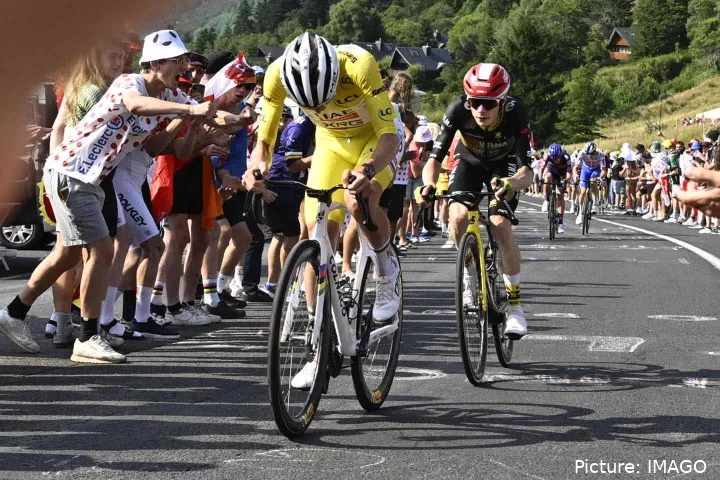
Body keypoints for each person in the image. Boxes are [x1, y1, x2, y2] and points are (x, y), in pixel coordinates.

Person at [0, 29, 216, 361]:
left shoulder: (166, 96)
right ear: (155, 63)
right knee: (102, 251)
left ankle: (16, 313)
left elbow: (162, 141)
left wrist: (235, 117)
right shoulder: (125, 85)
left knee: (70, 255)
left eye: (123, 56)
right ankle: (87, 334)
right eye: (178, 61)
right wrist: (186, 112)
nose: (184, 68)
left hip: (93, 178)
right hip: (74, 173)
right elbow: (134, 105)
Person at [244, 32, 403, 388]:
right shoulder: (276, 74)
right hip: (330, 144)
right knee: (314, 233)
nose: (320, 106)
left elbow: (390, 137)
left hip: (375, 140)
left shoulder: (359, 65)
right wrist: (257, 165)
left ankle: (385, 269)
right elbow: (265, 139)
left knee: (358, 200)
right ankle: (318, 347)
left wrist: (367, 171)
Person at [419, 63, 533, 339]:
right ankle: (470, 275)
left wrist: (510, 183)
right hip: (468, 160)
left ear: (503, 101)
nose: (480, 110)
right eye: (474, 102)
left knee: (499, 224)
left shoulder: (516, 113)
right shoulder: (457, 110)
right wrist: (429, 185)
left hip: (504, 165)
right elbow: (433, 160)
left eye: (489, 103)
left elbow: (526, 173)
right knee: (458, 216)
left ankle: (515, 308)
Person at [541, 143, 572, 233]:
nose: (555, 160)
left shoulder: (566, 157)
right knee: (547, 178)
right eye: (553, 158)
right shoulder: (547, 156)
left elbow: (569, 174)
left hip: (562, 174)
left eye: (557, 158)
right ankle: (546, 199)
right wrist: (541, 178)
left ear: (560, 155)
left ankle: (561, 221)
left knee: (560, 196)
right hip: (551, 170)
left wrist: (566, 180)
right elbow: (542, 168)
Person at [574, 141, 607, 225]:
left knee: (593, 180)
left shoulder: (601, 155)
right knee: (583, 191)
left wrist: (600, 177)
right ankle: (580, 214)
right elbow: (575, 167)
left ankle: (595, 201)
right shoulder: (582, 153)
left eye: (591, 154)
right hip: (585, 169)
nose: (589, 156)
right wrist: (576, 176)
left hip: (596, 169)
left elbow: (604, 170)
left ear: (594, 151)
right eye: (587, 154)